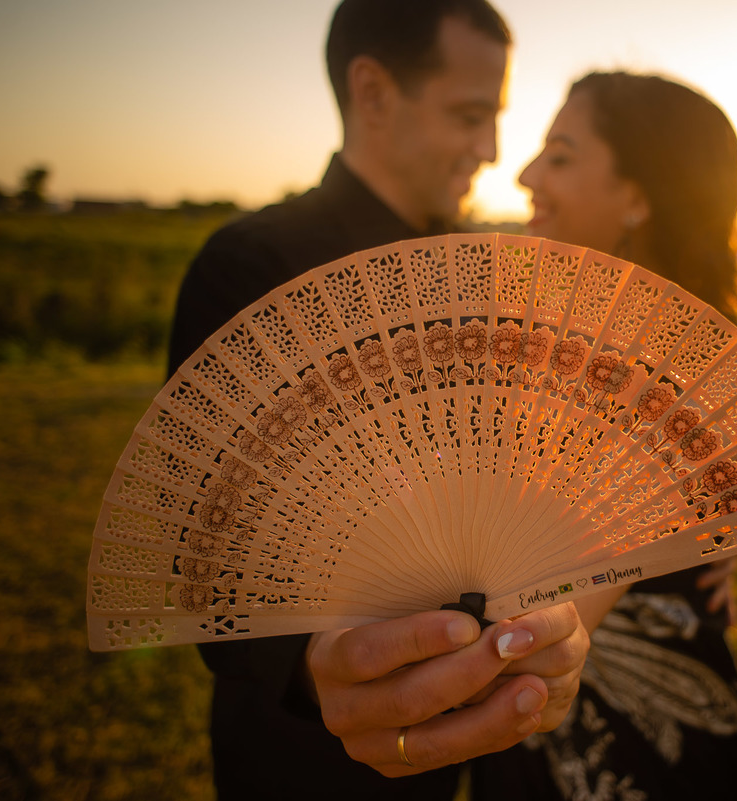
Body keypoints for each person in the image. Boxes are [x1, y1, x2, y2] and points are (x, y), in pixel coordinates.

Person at [167, 2, 591, 798]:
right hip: (304, 756)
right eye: (471, 116)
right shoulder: (254, 264)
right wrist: (310, 659)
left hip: (471, 736)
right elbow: (206, 547)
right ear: (373, 91)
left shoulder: (485, 275)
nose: (491, 151)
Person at [472, 71, 737, 800]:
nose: (527, 174)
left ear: (638, 197)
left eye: (563, 157)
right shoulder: (594, 342)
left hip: (620, 746)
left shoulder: (669, 375)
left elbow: (541, 625)